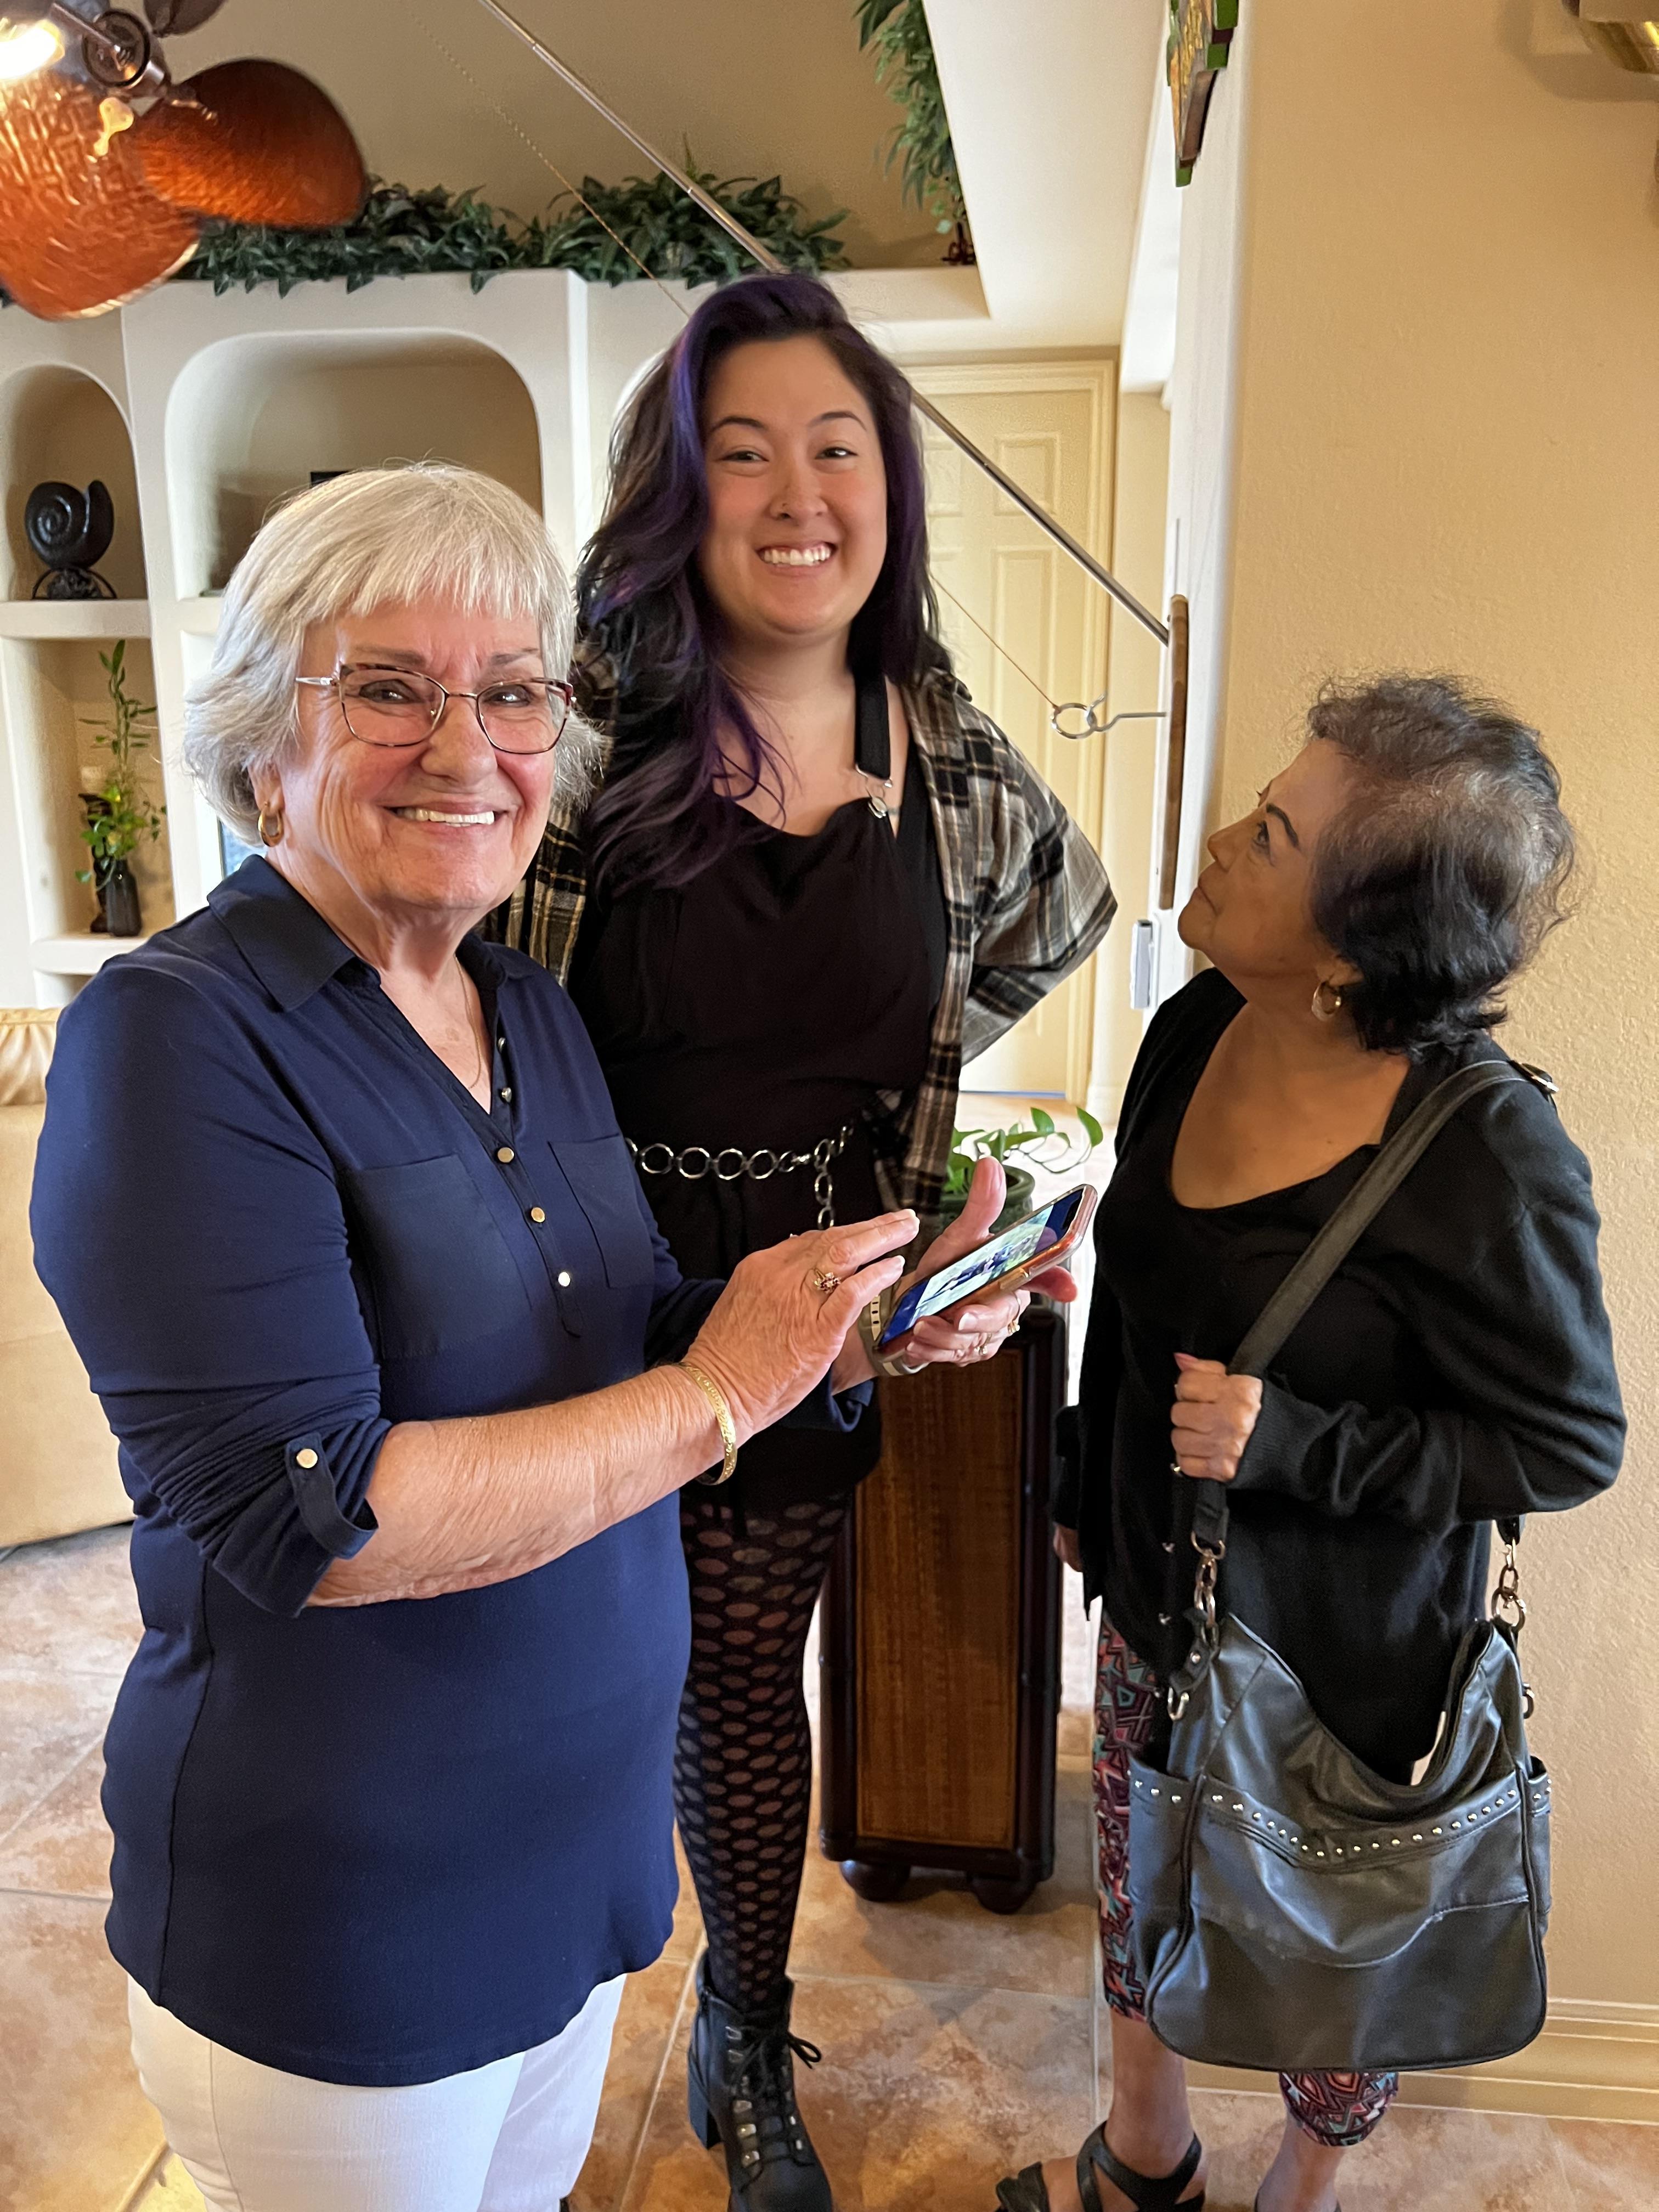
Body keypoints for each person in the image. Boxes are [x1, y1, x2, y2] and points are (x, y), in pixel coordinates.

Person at [29, 464, 1042, 2212]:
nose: (465, 745)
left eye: (511, 694)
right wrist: (725, 1385)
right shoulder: (178, 1040)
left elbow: (637, 1334)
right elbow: (316, 1520)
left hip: (564, 1874)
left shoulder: (527, 1010)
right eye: (391, 691)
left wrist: (874, 1326)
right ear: (267, 735)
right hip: (337, 1927)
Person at [494, 270, 1115, 2208]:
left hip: (813, 1328)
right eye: (738, 451)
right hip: (573, 1300)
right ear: (676, 493)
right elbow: (461, 996)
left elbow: (1053, 927)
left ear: (888, 487)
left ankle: (747, 2036)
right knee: (547, 1662)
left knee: (745, 1677)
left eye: (835, 449)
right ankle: (516, 2017)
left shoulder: (942, 746)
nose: (795, 495)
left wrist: (897, 1157)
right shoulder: (584, 727)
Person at [1004, 675, 1624, 2212]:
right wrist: (1088, 1476)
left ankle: (1302, 2192)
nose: (1220, 838)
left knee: (1333, 1969)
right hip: (1159, 1595)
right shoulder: (1195, 1019)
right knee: (1147, 1901)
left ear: (1357, 948)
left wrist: (1299, 1444)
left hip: (1350, 1673)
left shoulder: (1488, 1153)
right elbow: (1143, 1295)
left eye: (1272, 832)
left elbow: (1567, 1440)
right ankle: (1143, 2165)